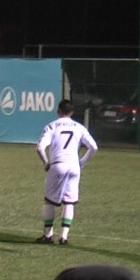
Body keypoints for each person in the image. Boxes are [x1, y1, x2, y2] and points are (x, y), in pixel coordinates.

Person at [35, 100, 97, 245]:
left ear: (58, 111)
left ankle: (48, 235)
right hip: (74, 166)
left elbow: (40, 148)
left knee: (49, 201)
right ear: (72, 112)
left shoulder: (52, 126)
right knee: (69, 201)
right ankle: (64, 237)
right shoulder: (79, 127)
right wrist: (82, 163)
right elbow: (94, 147)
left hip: (58, 165)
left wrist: (46, 163)